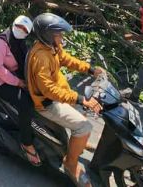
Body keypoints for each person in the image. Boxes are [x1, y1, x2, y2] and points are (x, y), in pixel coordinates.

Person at [26, 13, 103, 186]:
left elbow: (66, 59)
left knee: (81, 119)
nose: (61, 38)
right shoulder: (40, 57)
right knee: (84, 127)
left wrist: (90, 69)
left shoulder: (52, 47)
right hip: (48, 103)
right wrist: (79, 98)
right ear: (47, 35)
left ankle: (78, 143)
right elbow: (48, 90)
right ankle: (70, 164)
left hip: (61, 92)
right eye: (58, 34)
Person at [0, 15, 40, 166]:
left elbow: (27, 60)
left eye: (25, 30)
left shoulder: (21, 42)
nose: (21, 30)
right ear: (13, 24)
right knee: (25, 103)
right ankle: (26, 143)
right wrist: (19, 82)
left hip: (14, 75)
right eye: (19, 26)